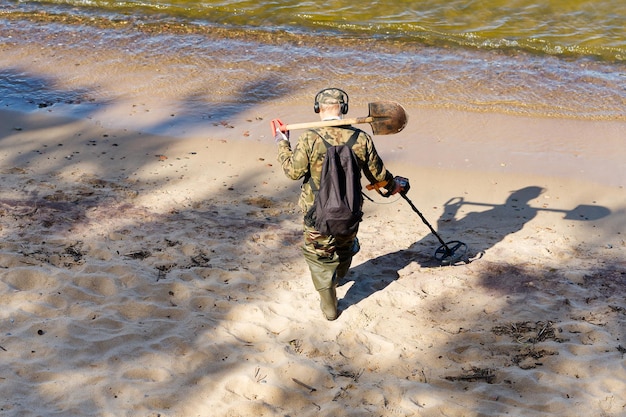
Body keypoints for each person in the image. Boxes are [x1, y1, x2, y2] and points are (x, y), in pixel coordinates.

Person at [272, 88, 409, 321]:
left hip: (316, 214)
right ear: (343, 109)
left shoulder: (309, 138)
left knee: (319, 256)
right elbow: (378, 176)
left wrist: (282, 142)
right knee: (346, 247)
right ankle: (338, 276)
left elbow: (292, 172)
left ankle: (329, 307)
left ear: (318, 109)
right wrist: (394, 185)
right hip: (349, 211)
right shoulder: (361, 138)